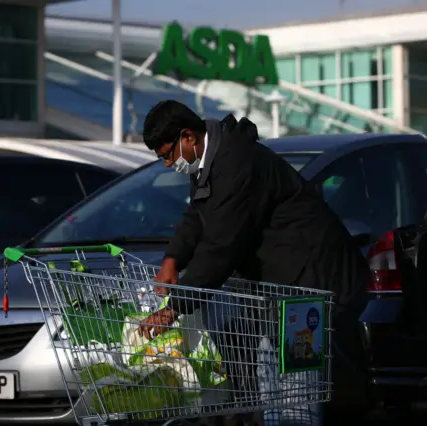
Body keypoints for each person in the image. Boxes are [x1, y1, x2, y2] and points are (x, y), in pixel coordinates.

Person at [136, 100, 370, 426]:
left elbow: (221, 244)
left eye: (167, 155)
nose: (166, 164)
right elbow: (198, 216)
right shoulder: (211, 161)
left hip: (311, 285)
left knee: (296, 396)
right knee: (272, 379)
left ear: (188, 137)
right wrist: (172, 259)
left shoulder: (237, 164)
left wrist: (174, 307)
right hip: (282, 288)